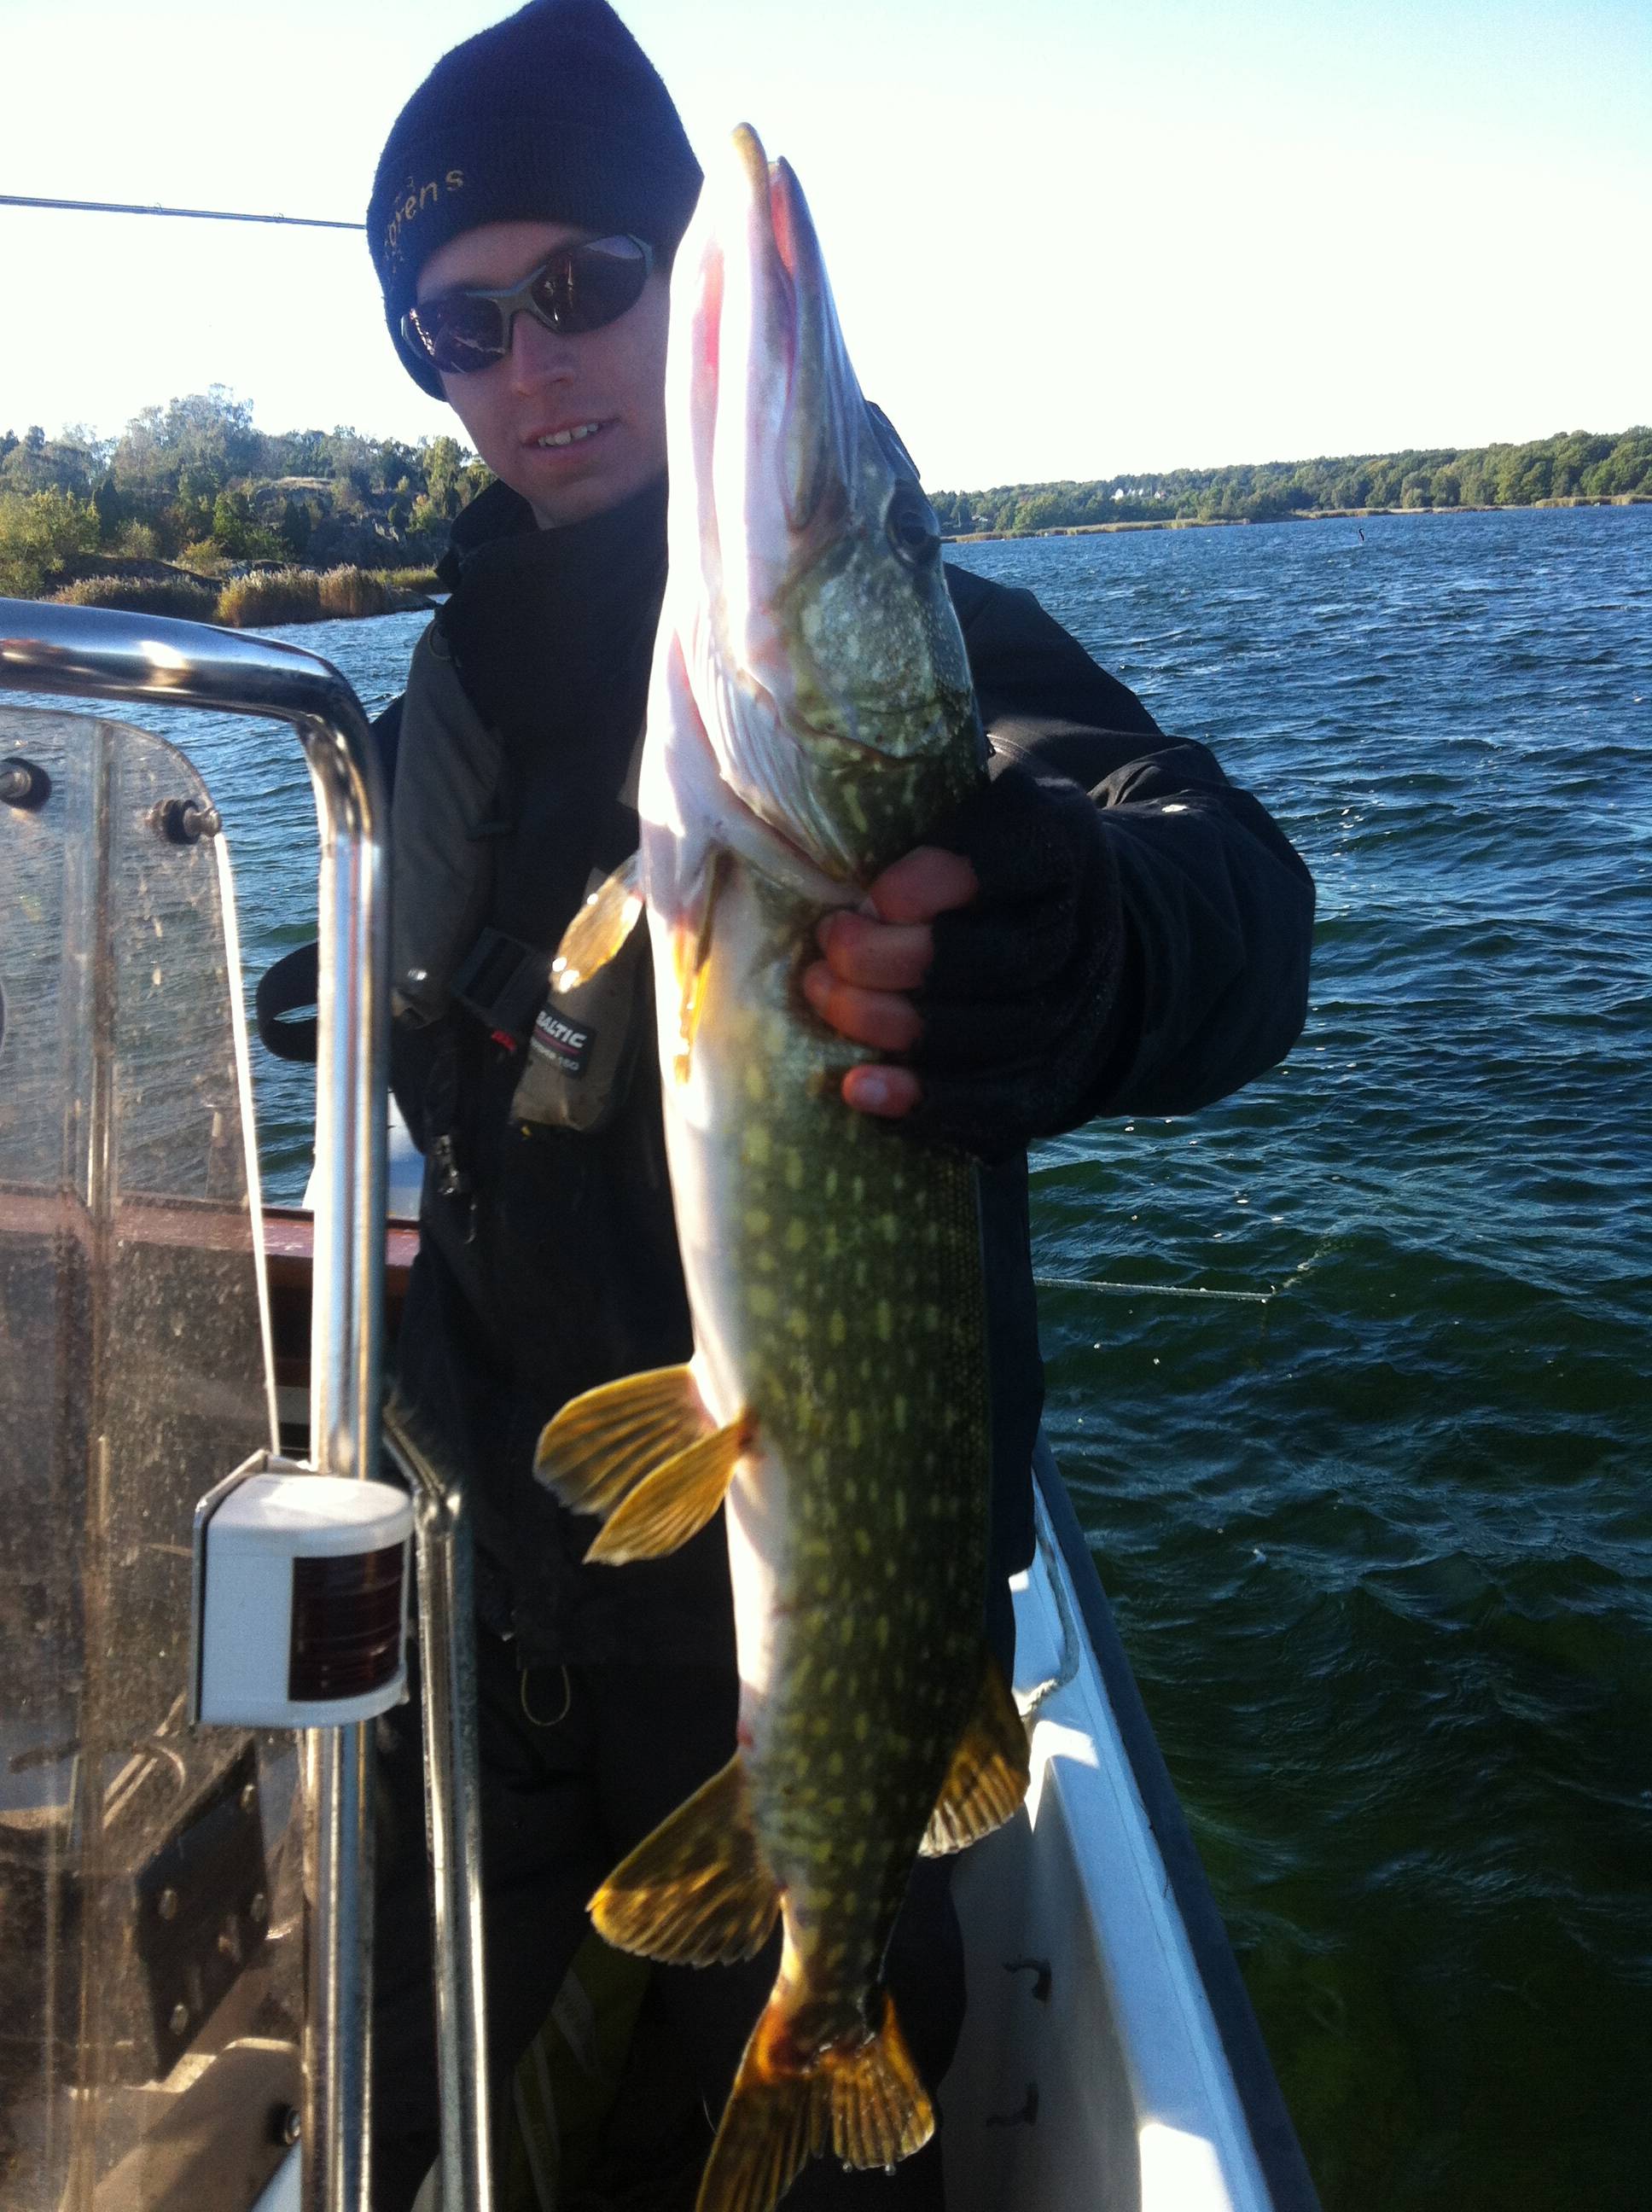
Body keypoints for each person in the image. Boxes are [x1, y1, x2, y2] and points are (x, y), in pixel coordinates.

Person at [362, 3, 1314, 2206]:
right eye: (456, 331)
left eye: (582, 288)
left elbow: (1230, 907)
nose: (527, 364)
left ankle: (826, 2022)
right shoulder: (441, 693)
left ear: (667, 292)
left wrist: (1082, 942)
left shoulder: (899, 656)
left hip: (773, 1641)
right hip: (494, 1590)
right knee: (475, 2123)